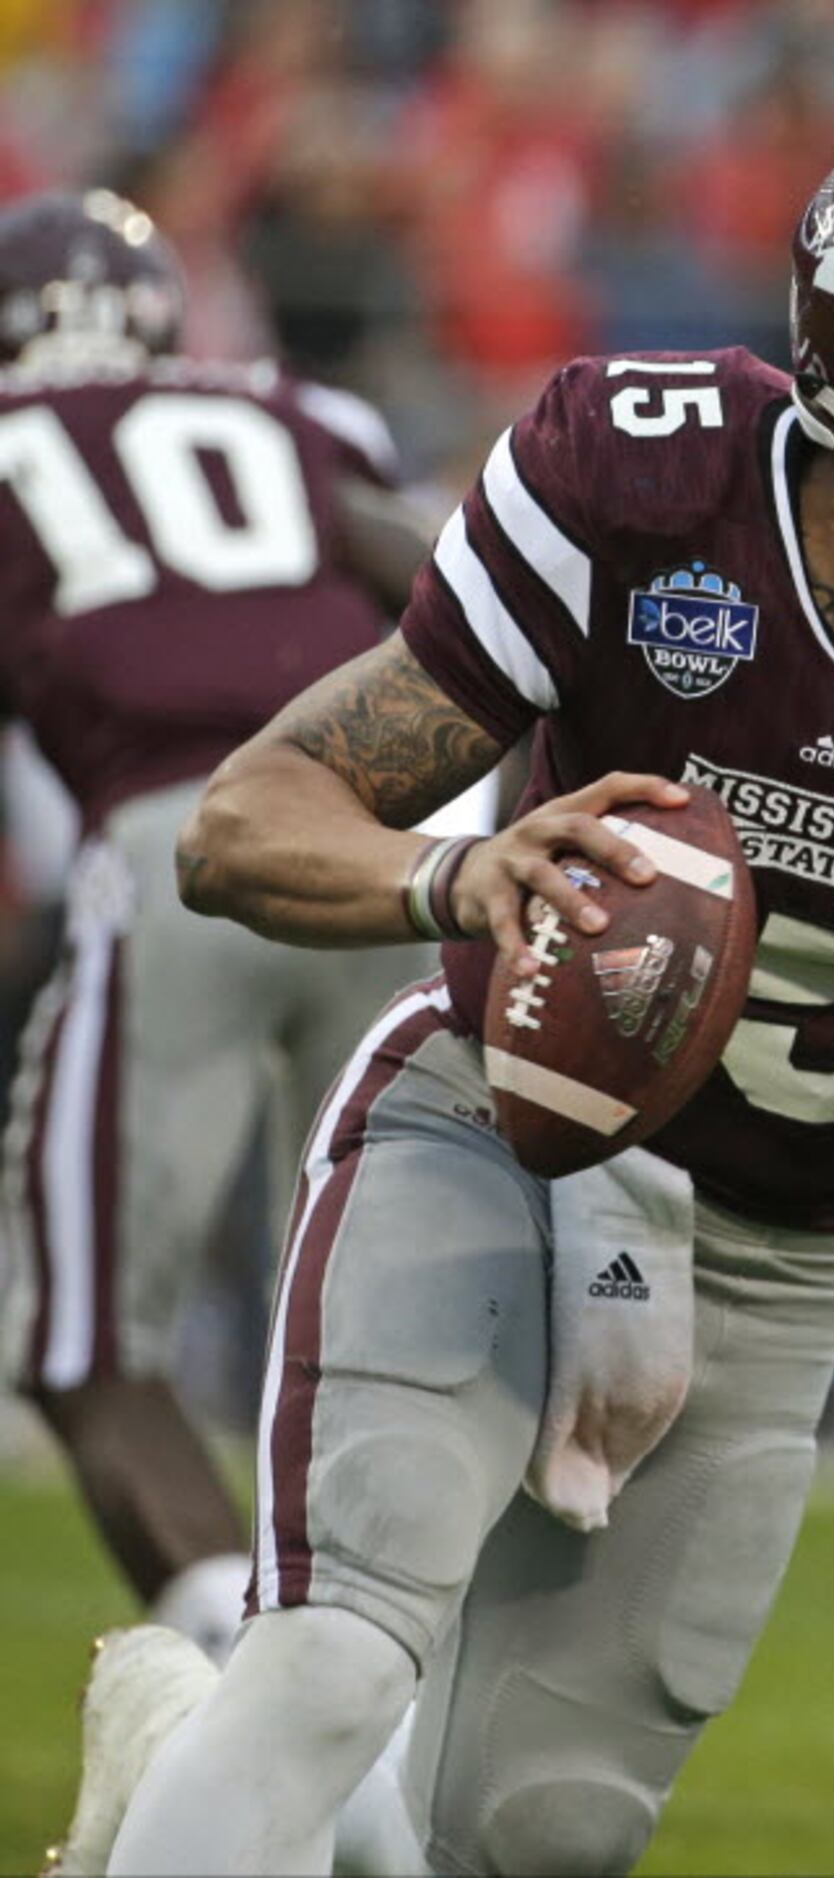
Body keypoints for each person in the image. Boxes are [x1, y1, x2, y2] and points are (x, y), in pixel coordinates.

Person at [54, 107, 834, 1876]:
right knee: (328, 1657)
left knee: (538, 1830)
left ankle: (177, 1756)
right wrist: (454, 871)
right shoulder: (648, 474)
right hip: (498, 1121)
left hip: (785, 1238)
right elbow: (245, 823)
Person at [0, 189, 449, 1665]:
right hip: (389, 840)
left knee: (84, 1345)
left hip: (178, 846)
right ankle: (394, 1689)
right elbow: (454, 588)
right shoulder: (293, 410)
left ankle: (232, 1674)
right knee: (402, 1325)